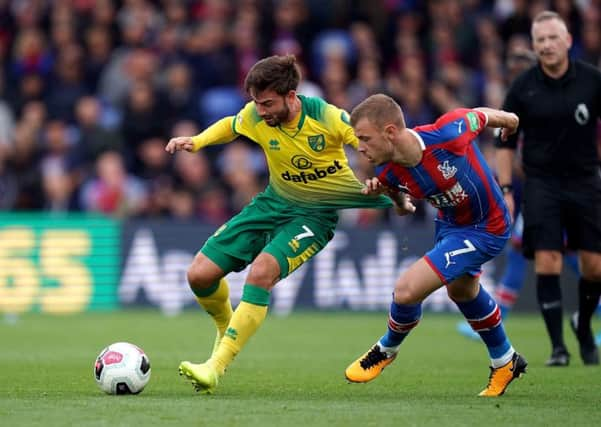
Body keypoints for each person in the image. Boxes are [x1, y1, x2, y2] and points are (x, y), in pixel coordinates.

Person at [164, 55, 392, 394]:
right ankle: (228, 326)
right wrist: (197, 141)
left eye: (268, 103)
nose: (261, 111)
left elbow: (363, 138)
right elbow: (231, 124)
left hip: (315, 214)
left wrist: (383, 180)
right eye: (257, 103)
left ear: (291, 95)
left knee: (261, 272)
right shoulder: (257, 115)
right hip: (272, 203)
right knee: (199, 275)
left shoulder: (325, 116)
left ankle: (216, 365)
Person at [344, 93, 526, 397]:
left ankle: (386, 349)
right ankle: (506, 360)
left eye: (365, 138)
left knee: (405, 291)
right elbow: (403, 207)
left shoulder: (447, 133)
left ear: (390, 132)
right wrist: (388, 196)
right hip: (451, 227)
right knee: (462, 291)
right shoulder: (388, 171)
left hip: (488, 226)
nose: (360, 148)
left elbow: (479, 115)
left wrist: (510, 121)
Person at [496, 10, 601, 366]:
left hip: (586, 180)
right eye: (540, 40)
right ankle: (558, 347)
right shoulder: (522, 86)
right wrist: (507, 189)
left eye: (553, 38)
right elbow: (504, 144)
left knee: (594, 267)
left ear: (568, 40)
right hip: (541, 184)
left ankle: (583, 325)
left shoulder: (592, 80)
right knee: (547, 261)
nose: (546, 45)